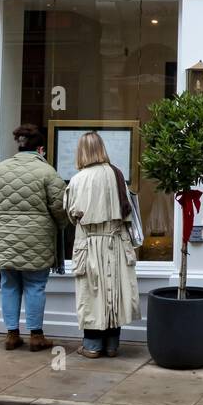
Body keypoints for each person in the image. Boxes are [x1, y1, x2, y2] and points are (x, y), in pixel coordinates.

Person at [0, 124, 69, 351]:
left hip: (4, 238)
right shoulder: (48, 172)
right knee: (35, 285)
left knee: (8, 284)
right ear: (40, 149)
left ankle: (11, 334)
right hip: (37, 239)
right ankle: (36, 336)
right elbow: (60, 207)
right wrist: (59, 225)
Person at [64, 131, 140, 358]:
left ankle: (93, 345)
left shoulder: (78, 179)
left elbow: (71, 213)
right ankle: (112, 345)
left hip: (89, 241)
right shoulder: (116, 174)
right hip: (116, 241)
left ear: (81, 152)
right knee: (115, 291)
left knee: (91, 293)